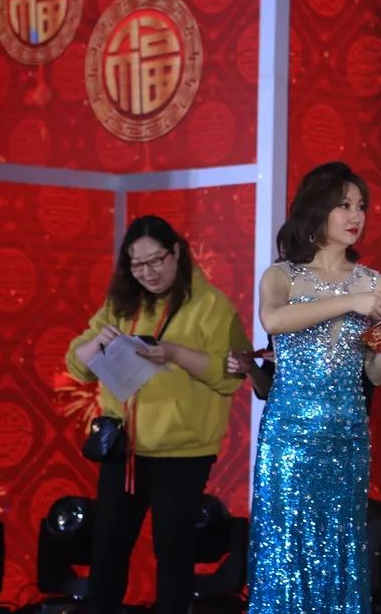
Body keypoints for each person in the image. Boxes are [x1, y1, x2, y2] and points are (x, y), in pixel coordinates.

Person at [247, 162, 381, 613]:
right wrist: (349, 302)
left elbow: (377, 374)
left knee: (341, 548)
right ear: (316, 208)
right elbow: (273, 320)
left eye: (361, 206)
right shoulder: (282, 276)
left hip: (347, 435)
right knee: (285, 550)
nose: (355, 216)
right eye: (344, 205)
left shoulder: (373, 282)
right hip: (289, 436)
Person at [65, 215, 250, 614]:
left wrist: (175, 353)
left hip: (182, 453)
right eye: (137, 264)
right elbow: (76, 364)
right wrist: (98, 342)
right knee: (107, 548)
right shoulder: (121, 303)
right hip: (124, 449)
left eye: (156, 261)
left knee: (174, 552)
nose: (147, 273)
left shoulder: (212, 306)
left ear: (176, 253)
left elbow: (231, 375)